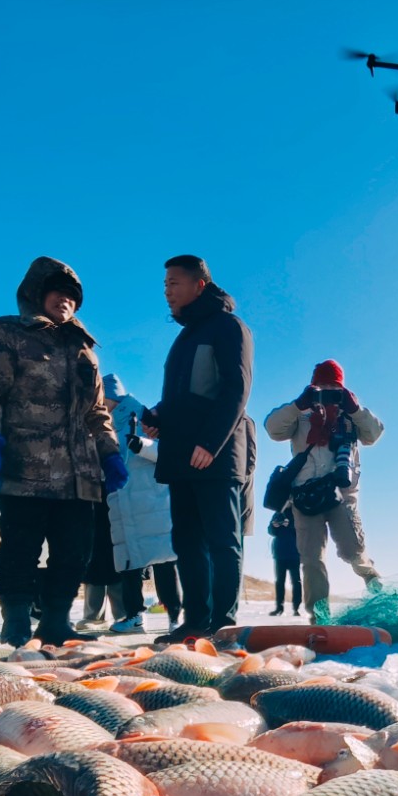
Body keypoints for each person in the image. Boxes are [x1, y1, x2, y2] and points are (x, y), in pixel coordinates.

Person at [0, 257, 126, 646]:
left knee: (74, 552)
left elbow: (97, 411)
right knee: (20, 545)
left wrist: (110, 453)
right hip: (25, 465)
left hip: (79, 474)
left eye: (73, 296)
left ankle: (56, 619)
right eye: (58, 291)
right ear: (37, 293)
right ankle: (15, 620)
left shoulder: (84, 349)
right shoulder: (6, 333)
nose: (66, 300)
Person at [141, 255, 253, 642]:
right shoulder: (185, 336)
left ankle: (224, 623)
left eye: (174, 283)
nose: (167, 291)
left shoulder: (229, 327)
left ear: (199, 285)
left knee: (223, 540)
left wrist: (210, 443)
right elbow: (185, 398)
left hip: (215, 456)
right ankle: (195, 622)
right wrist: (158, 416)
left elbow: (236, 391)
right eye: (165, 285)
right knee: (186, 542)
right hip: (180, 456)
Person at [263, 359, 382, 622]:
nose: (328, 390)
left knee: (352, 549)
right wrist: (298, 405)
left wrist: (356, 409)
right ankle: (320, 616)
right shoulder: (301, 415)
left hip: (341, 495)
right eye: (322, 385)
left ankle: (372, 580)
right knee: (311, 558)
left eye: (334, 386)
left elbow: (373, 435)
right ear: (313, 385)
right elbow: (273, 429)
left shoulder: (352, 417)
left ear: (342, 388)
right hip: (305, 497)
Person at [98, 373, 179, 634]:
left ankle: (175, 614)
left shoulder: (145, 417)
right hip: (120, 501)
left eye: (102, 398)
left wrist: (142, 446)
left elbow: (168, 453)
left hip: (150, 499)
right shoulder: (101, 425)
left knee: (164, 560)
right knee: (128, 561)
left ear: (113, 397)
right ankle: (134, 614)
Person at [268, 505, 301, 616]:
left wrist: (290, 525)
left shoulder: (297, 511)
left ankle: (297, 608)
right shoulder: (278, 513)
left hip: (294, 554)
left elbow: (302, 529)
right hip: (279, 554)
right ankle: (279, 608)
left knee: (296, 581)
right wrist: (274, 526)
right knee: (279, 582)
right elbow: (270, 531)